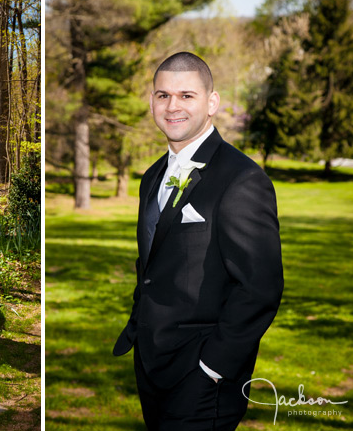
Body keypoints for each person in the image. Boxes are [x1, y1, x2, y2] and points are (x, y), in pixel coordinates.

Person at [113, 52, 284, 430]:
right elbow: (152, 266)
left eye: (186, 95)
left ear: (212, 102)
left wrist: (213, 366)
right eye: (162, 95)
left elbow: (260, 288)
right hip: (152, 364)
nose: (172, 106)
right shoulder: (153, 176)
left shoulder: (242, 180)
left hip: (204, 378)